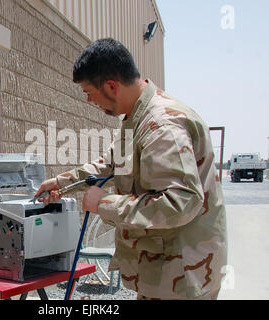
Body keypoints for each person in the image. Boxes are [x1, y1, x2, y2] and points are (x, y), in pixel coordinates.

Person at [34, 38, 227, 300]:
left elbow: (183, 201)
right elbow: (111, 165)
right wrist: (62, 182)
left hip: (181, 278)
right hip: (164, 273)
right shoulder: (137, 119)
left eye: (89, 92)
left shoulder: (161, 126)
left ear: (111, 86)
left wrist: (105, 204)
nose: (90, 101)